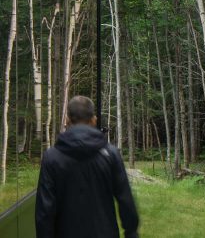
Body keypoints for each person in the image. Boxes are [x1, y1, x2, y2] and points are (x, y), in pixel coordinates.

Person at [36, 95, 139, 238]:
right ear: (94, 120)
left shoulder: (51, 157)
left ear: (67, 120)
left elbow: (44, 211)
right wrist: (131, 232)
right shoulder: (110, 154)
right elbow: (125, 199)